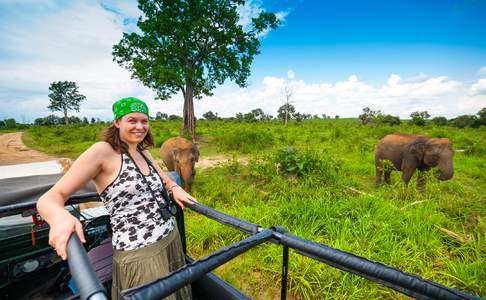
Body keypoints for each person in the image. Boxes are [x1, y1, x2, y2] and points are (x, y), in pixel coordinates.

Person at [37, 97, 194, 300]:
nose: (140, 126)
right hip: (139, 254)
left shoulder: (142, 151)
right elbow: (49, 198)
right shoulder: (102, 152)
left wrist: (174, 187)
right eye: (132, 120)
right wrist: (59, 218)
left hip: (169, 240)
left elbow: (165, 179)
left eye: (144, 121)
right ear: (117, 122)